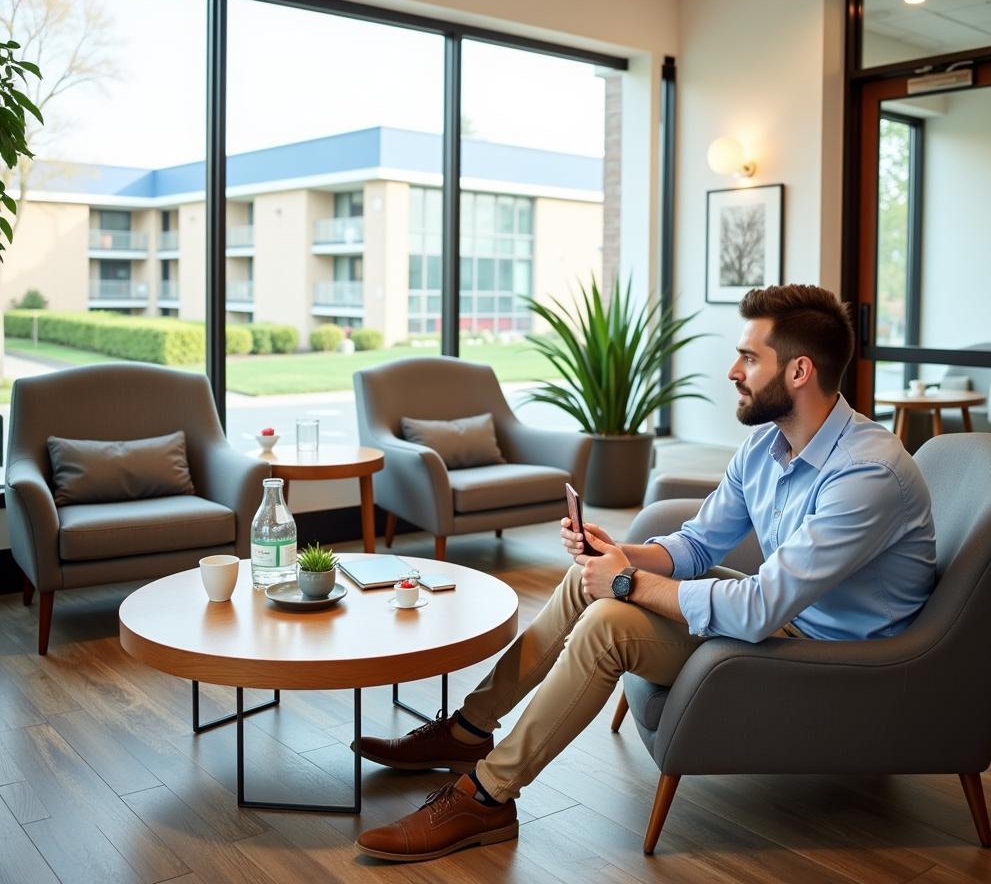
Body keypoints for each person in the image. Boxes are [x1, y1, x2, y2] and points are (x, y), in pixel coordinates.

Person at [353, 283, 936, 862]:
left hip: (837, 660)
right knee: (589, 579)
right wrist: (622, 556)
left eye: (750, 357)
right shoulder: (766, 445)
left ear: (799, 371)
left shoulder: (865, 474)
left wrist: (627, 584)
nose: (733, 371)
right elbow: (699, 544)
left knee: (608, 619)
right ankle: (469, 730)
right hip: (787, 618)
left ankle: (487, 795)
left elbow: (761, 610)